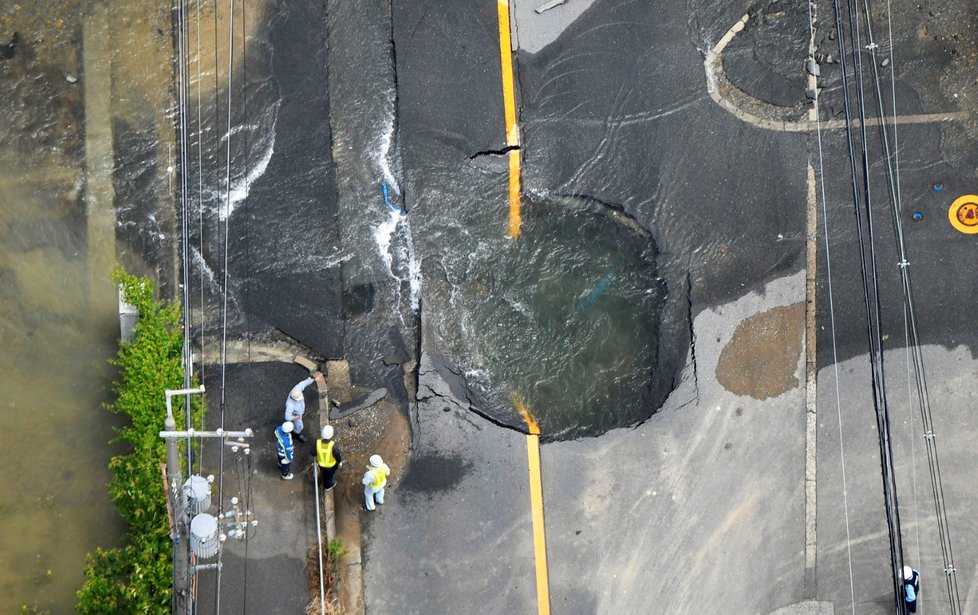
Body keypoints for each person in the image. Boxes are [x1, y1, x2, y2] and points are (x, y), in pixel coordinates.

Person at [285, 372, 324, 443]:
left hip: (299, 412)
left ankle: (293, 430)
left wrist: (314, 379)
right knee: (300, 426)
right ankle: (296, 434)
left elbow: (303, 383)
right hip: (297, 415)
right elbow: (287, 417)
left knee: (298, 424)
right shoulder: (290, 405)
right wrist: (295, 417)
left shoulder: (296, 390)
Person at [312, 425, 342, 490]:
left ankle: (323, 476)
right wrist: (339, 462)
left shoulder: (317, 443)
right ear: (331, 435)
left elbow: (313, 452)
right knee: (329, 477)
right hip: (330, 466)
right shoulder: (333, 445)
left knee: (324, 473)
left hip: (321, 465)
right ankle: (328, 486)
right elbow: (337, 455)